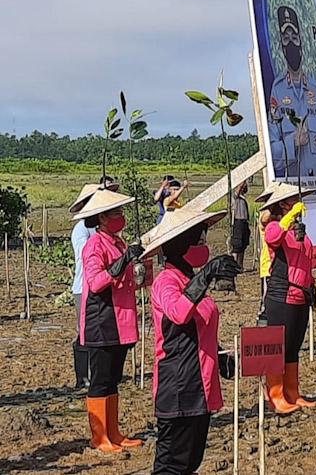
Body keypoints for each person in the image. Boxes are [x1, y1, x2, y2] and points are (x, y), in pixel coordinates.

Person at [143, 208, 241, 474]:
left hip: (201, 385)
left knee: (190, 462)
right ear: (180, 244)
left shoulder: (188, 278)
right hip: (179, 387)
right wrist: (206, 275)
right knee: (172, 465)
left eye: (203, 241)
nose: (203, 247)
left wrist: (221, 358)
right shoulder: (166, 281)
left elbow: (199, 330)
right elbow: (178, 313)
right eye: (198, 242)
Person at [73, 188, 143, 452]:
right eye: (116, 213)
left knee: (113, 378)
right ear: (101, 218)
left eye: (121, 212)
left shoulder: (119, 243)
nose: (120, 217)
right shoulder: (94, 245)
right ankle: (100, 437)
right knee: (101, 379)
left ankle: (114, 432)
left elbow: (127, 283)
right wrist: (123, 261)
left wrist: (139, 268)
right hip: (102, 321)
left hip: (120, 319)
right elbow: (97, 281)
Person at [259, 182, 316, 413]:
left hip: (301, 296)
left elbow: (304, 260)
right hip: (281, 294)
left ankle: (293, 392)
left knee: (293, 346)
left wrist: (313, 289)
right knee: (278, 347)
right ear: (284, 204)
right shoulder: (275, 226)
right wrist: (289, 218)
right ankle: (276, 395)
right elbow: (272, 238)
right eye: (294, 200)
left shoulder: (299, 229)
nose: (300, 204)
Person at [269, 6, 316, 177]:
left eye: (294, 38)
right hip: (293, 193)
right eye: (286, 39)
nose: (291, 43)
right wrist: (292, 142)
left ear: (301, 42)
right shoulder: (277, 91)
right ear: (282, 47)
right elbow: (271, 153)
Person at [69, 177, 119, 389]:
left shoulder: (106, 232)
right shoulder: (82, 231)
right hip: (84, 287)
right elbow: (87, 258)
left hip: (100, 287)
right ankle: (83, 377)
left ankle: (93, 374)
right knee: (85, 333)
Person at [255, 182, 278, 321]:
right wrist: (274, 203)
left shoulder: (284, 218)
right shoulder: (266, 217)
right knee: (267, 305)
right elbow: (264, 218)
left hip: (282, 268)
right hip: (268, 266)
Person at [230, 180, 251, 268]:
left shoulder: (243, 198)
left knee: (243, 245)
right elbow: (238, 190)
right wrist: (243, 180)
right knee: (237, 244)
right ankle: (234, 265)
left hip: (244, 223)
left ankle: (240, 266)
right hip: (237, 222)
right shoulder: (235, 196)